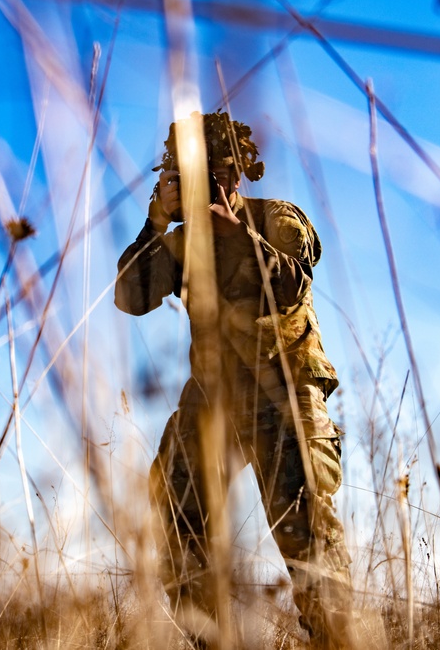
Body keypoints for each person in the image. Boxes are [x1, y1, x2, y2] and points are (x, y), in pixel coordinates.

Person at [115, 111, 352, 648]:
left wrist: (236, 232)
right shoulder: (180, 244)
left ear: (235, 174)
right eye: (186, 176)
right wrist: (157, 220)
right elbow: (129, 297)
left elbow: (291, 284)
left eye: (211, 174)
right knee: (176, 513)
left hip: (285, 388)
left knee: (307, 536)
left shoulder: (277, 219)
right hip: (214, 397)